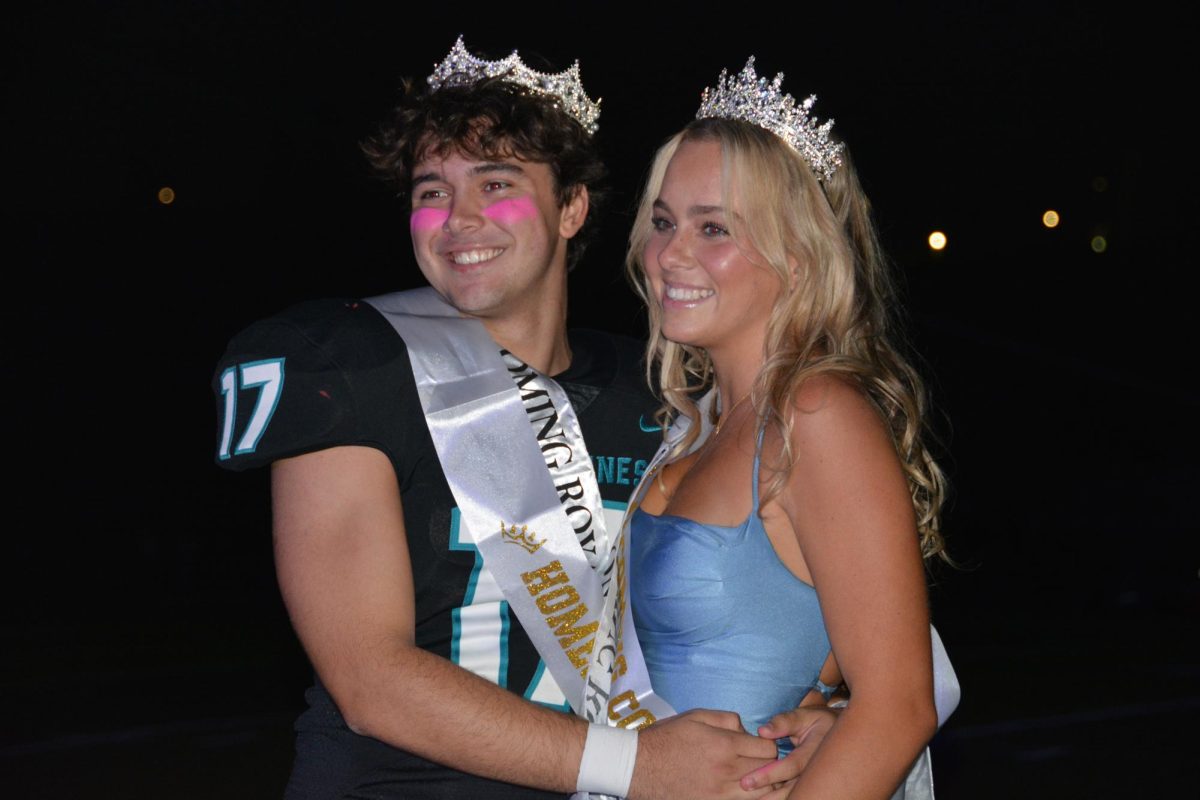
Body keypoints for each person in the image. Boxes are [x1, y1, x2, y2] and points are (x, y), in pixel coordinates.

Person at [213, 39, 831, 800]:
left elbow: (750, 611)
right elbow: (369, 680)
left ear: (571, 207)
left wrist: (817, 710)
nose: (458, 220)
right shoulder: (355, 364)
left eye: (496, 183)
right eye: (431, 191)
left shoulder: (667, 394)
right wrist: (637, 766)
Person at [621, 58, 952, 799]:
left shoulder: (817, 417)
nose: (670, 254)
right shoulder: (694, 428)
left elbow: (898, 708)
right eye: (665, 222)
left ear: (797, 258)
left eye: (714, 229)